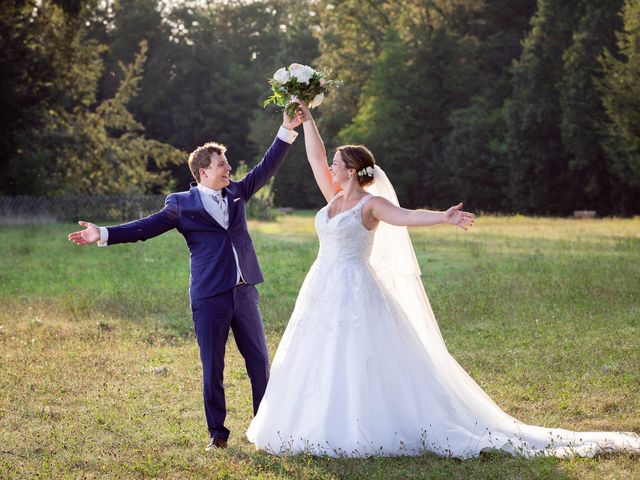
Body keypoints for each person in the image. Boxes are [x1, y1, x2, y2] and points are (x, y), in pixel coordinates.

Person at [246, 101, 640, 458]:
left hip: (355, 289)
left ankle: (359, 425)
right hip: (321, 288)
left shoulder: (371, 204)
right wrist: (307, 117)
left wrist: (443, 217)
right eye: (332, 163)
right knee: (318, 354)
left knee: (357, 357)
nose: (330, 167)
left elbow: (408, 215)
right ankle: (310, 419)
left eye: (337, 163)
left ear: (351, 170)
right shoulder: (333, 197)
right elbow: (314, 156)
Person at [68, 109, 303, 451]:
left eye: (227, 163)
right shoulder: (180, 204)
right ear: (203, 171)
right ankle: (218, 434)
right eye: (222, 164)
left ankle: (265, 429)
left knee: (259, 361)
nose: (228, 168)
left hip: (244, 291)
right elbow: (144, 228)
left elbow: (267, 166)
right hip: (209, 296)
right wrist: (103, 233)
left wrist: (286, 129)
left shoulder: (238, 192)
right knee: (213, 367)